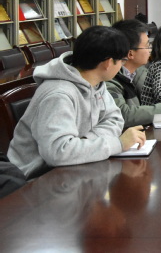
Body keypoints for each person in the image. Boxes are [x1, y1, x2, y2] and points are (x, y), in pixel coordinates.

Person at [8, 26, 146, 179]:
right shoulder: (58, 94)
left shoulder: (96, 83)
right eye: (122, 61)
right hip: (37, 179)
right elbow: (58, 152)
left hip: (74, 166)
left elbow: (115, 118)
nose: (121, 66)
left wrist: (85, 142)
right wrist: (118, 144)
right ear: (108, 63)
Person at [108, 20, 161, 129]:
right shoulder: (110, 78)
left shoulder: (138, 72)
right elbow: (124, 114)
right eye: (147, 45)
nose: (150, 50)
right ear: (130, 53)